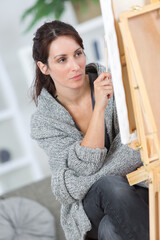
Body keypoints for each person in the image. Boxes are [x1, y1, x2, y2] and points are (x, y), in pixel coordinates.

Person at [30, 20, 149, 240]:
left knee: (110, 230)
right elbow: (87, 167)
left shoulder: (117, 84)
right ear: (44, 67)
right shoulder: (43, 123)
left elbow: (138, 147)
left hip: (136, 185)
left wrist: (79, 183)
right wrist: (99, 108)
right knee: (109, 184)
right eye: (62, 60)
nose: (75, 66)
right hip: (89, 208)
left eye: (78, 54)